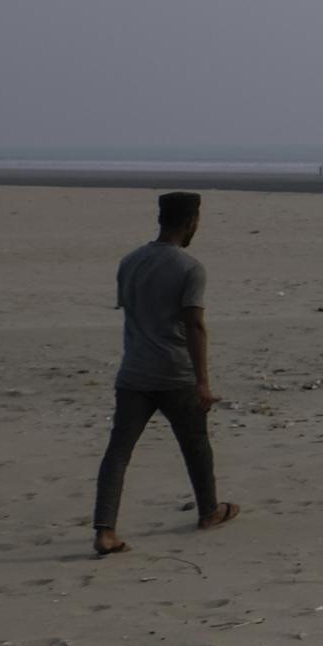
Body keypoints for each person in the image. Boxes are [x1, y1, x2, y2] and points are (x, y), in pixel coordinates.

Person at [93, 192, 236, 557]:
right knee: (196, 445)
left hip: (133, 373)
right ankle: (209, 512)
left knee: (118, 453)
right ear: (190, 222)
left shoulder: (129, 262)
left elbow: (133, 311)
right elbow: (194, 326)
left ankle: (105, 531)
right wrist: (203, 381)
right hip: (174, 373)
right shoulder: (189, 268)